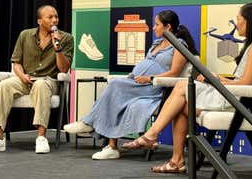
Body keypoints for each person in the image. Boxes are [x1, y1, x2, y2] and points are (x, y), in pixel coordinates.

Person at [122, 2, 252, 173]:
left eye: (239, 19)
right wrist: (218, 78)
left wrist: (214, 81)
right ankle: (177, 161)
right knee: (181, 105)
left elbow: (245, 84)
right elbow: (243, 80)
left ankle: (152, 136)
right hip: (239, 97)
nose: (237, 22)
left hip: (246, 103)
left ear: (250, 21)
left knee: (182, 86)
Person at [63, 10, 198, 160]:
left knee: (115, 85)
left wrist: (150, 78)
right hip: (137, 84)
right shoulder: (157, 43)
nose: (153, 28)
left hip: (153, 88)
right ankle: (110, 146)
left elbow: (174, 73)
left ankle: (88, 123)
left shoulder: (179, 45)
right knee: (116, 96)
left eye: (157, 24)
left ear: (168, 27)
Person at [0, 5, 74, 154]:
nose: (55, 20)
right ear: (40, 21)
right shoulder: (25, 35)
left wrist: (57, 48)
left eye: (56, 17)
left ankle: (41, 137)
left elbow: (64, 69)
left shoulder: (66, 38)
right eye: (50, 17)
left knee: (40, 85)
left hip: (48, 81)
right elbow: (16, 62)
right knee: (4, 85)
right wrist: (22, 76)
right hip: (26, 79)